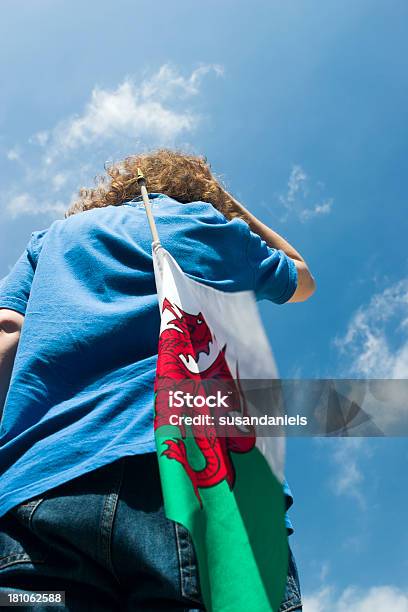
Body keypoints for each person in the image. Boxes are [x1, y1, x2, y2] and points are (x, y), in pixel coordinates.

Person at [0, 149, 315, 611]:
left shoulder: (52, 240)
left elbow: (8, 334)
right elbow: (302, 279)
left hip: (42, 490)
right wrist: (227, 205)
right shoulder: (215, 230)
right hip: (199, 486)